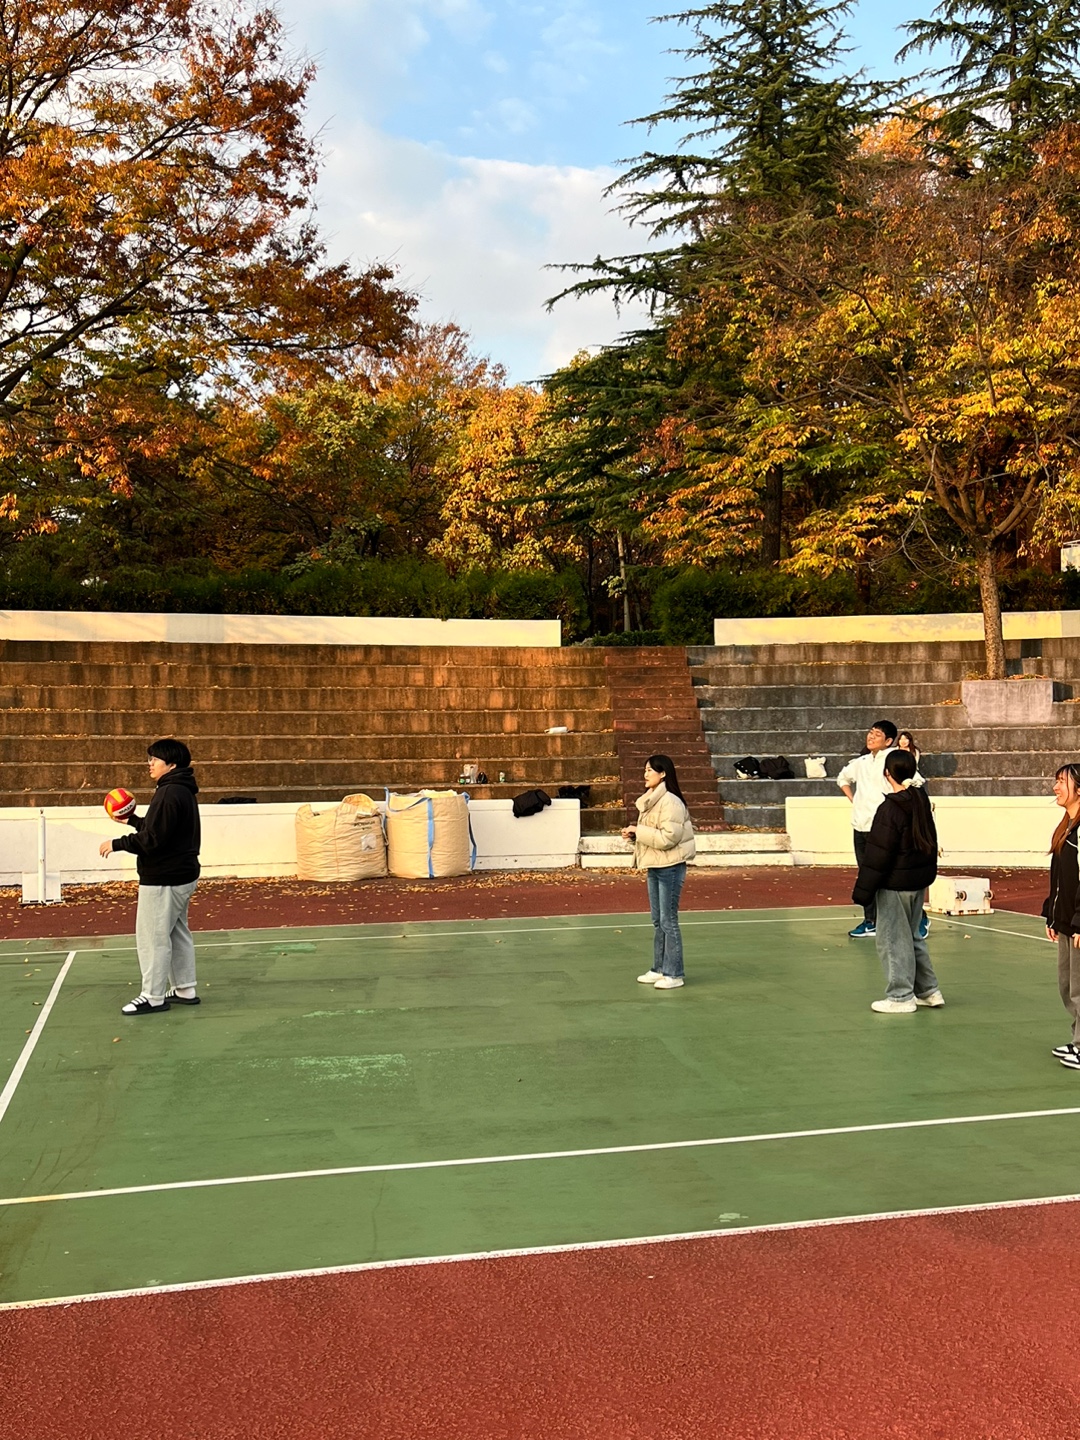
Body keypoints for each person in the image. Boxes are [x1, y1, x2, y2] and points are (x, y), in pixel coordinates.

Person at [99, 738, 202, 1015]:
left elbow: (153, 840)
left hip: (164, 876)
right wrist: (133, 821)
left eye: (155, 759)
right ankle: (185, 988)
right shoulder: (181, 790)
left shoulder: (168, 793)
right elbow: (160, 830)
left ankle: (153, 996)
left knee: (153, 937)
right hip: (181, 872)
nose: (150, 764)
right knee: (176, 932)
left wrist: (117, 843)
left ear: (172, 764)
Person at [852, 748, 944, 1014]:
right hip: (917, 881)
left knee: (892, 940)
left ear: (886, 773)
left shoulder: (890, 807)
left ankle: (901, 996)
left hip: (895, 883)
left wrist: (863, 891)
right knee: (913, 937)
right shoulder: (920, 799)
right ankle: (928, 990)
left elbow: (878, 853)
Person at [837, 719, 928, 940]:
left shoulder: (893, 759)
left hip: (884, 827)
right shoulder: (861, 762)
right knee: (866, 875)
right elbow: (842, 778)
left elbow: (915, 781)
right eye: (870, 732)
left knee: (891, 876)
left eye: (877, 734)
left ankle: (919, 917)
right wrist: (854, 799)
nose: (871, 737)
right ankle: (871, 921)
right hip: (860, 825)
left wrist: (898, 803)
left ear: (888, 741)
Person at [621, 754, 696, 990]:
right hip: (656, 865)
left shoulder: (670, 802)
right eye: (645, 770)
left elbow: (668, 838)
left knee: (668, 920)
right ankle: (659, 969)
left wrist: (639, 831)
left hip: (670, 867)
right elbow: (652, 836)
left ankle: (674, 974)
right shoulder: (651, 800)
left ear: (663, 774)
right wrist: (634, 836)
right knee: (658, 921)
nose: (645, 774)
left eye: (649, 770)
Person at [1042, 763, 1080, 1069]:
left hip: (1078, 923)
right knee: (1067, 987)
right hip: (1067, 921)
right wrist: (1051, 915)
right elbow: (1060, 879)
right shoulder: (1066, 827)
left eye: (1061, 782)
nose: (1055, 788)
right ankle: (1077, 1039)